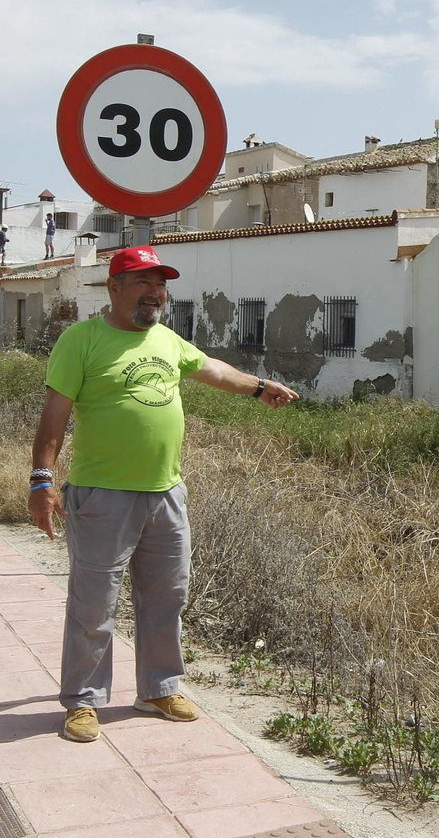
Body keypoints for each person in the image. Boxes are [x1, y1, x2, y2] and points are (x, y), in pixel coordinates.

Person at [29, 246, 300, 743]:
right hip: (102, 495)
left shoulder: (167, 340)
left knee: (166, 598)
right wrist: (41, 480)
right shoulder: (81, 340)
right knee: (94, 604)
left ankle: (157, 688)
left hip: (166, 494)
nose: (155, 292)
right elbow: (55, 414)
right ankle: (84, 701)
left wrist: (259, 387)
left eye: (160, 284)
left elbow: (213, 369)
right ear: (113, 287)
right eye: (142, 282)